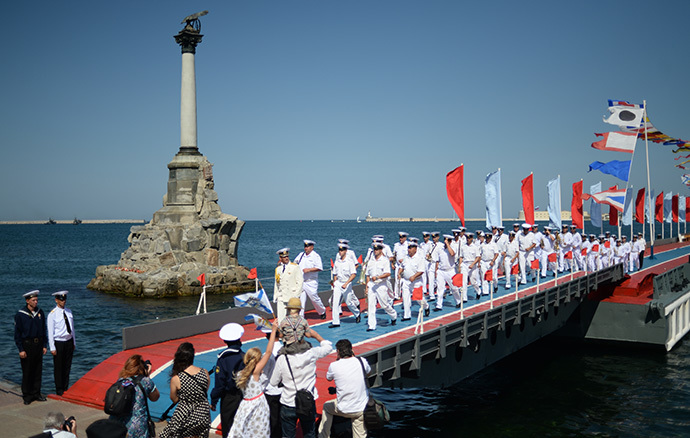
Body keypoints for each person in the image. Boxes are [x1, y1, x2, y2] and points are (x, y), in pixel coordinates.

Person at [269, 328, 334, 438]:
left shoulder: (282, 358)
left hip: (288, 401)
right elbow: (328, 347)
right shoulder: (311, 353)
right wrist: (316, 335)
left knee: (288, 435)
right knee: (309, 433)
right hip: (308, 400)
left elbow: (273, 382)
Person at [229, 321, 279, 438]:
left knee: (244, 429)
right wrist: (273, 330)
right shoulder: (255, 373)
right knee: (260, 431)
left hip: (245, 405)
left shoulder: (240, 374)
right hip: (258, 405)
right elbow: (268, 352)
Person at [317, 339, 370, 438]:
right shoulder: (362, 361)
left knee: (326, 407)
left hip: (344, 408)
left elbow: (329, 378)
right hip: (361, 408)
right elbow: (368, 372)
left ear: (338, 352)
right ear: (352, 350)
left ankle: (323, 436)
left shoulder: (334, 366)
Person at [159, 342, 211, 438]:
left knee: (167, 434)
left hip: (185, 415)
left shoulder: (177, 378)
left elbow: (174, 399)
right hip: (203, 415)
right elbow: (204, 391)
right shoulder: (205, 372)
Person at [109, 355, 160, 438]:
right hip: (137, 428)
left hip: (117, 426)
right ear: (141, 368)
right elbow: (155, 397)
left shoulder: (121, 381)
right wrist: (147, 376)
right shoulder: (145, 381)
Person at [211, 323, 245, 438]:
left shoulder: (223, 358)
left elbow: (220, 382)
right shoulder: (244, 356)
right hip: (243, 395)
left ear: (225, 341)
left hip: (229, 397)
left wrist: (214, 399)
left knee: (228, 426)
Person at [14, 290, 48, 405]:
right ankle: (27, 395)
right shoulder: (20, 314)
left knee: (37, 370)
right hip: (27, 345)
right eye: (33, 300)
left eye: (37, 300)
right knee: (27, 371)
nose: (36, 302)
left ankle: (36, 393)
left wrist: (44, 345)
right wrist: (21, 349)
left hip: (38, 344)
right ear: (27, 301)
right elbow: (17, 334)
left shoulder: (40, 312)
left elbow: (44, 330)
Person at [47, 291, 75, 396]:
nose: (63, 301)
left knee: (67, 366)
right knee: (58, 367)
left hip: (69, 341)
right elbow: (50, 332)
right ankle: (59, 390)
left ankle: (65, 388)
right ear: (56, 300)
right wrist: (52, 347)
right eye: (61, 299)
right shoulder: (52, 314)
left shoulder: (69, 311)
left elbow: (72, 329)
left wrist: (74, 342)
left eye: (64, 299)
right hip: (59, 342)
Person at [365, 242, 397, 331]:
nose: (375, 251)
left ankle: (393, 315)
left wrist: (378, 277)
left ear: (381, 250)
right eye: (374, 249)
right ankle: (371, 325)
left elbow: (388, 273)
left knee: (384, 305)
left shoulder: (385, 261)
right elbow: (367, 275)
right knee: (371, 306)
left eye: (377, 249)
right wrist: (367, 287)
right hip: (372, 285)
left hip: (381, 285)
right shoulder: (371, 261)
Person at [330, 243, 361, 328]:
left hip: (347, 283)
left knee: (349, 302)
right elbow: (335, 274)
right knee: (335, 303)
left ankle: (357, 313)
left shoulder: (350, 262)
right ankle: (335, 322)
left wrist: (346, 283)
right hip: (338, 283)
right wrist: (335, 283)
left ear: (346, 251)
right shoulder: (337, 262)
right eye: (339, 250)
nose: (340, 252)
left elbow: (353, 274)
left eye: (342, 250)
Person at [295, 240, 326, 319]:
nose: (306, 248)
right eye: (305, 246)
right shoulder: (301, 255)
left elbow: (319, 268)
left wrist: (309, 270)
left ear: (312, 247)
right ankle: (301, 316)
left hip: (311, 282)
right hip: (302, 281)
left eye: (308, 246)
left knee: (314, 298)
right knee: (301, 299)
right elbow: (295, 263)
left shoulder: (315, 256)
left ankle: (322, 311)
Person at [399, 241, 430, 320]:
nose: (409, 250)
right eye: (408, 248)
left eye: (411, 248)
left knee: (418, 298)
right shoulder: (406, 257)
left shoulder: (419, 258)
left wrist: (414, 276)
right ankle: (407, 315)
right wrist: (399, 273)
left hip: (416, 281)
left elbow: (421, 271)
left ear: (415, 249)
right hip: (406, 281)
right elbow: (402, 266)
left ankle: (426, 306)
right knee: (405, 298)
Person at [274, 248, 304, 322]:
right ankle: (281, 332)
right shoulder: (278, 269)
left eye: (287, 256)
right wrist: (276, 296)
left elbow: (300, 281)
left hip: (291, 295)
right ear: (280, 258)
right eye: (284, 257)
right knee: (280, 318)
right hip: (281, 296)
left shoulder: (295, 267)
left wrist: (296, 295)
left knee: (293, 317)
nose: (286, 258)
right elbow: (277, 284)